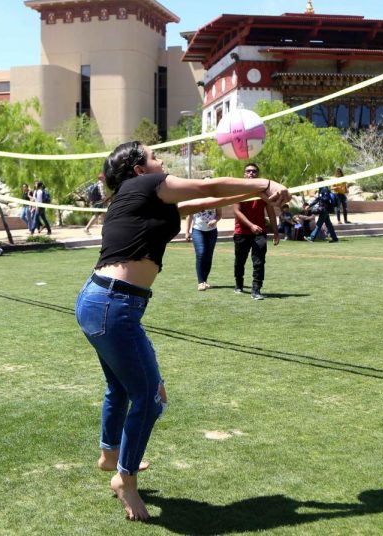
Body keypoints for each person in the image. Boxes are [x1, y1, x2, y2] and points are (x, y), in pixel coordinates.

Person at [75, 141, 290, 521]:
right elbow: (206, 188)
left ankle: (110, 456)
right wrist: (264, 184)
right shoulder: (145, 186)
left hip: (100, 302)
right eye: (153, 156)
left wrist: (261, 191)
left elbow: (199, 203)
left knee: (121, 388)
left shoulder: (137, 196)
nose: (161, 161)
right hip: (114, 305)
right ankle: (125, 480)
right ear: (140, 170)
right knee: (150, 398)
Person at [233, 163, 280, 300]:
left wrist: (276, 232)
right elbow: (236, 211)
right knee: (240, 261)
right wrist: (251, 225)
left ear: (258, 174)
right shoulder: (239, 191)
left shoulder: (264, 193)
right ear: (244, 174)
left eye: (254, 171)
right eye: (248, 171)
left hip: (259, 232)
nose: (251, 173)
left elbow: (271, 212)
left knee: (259, 261)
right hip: (242, 232)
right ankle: (239, 283)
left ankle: (256, 289)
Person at [184, 189, 221, 291]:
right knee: (201, 253)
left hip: (212, 231)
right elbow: (189, 216)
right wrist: (187, 232)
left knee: (208, 256)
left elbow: (219, 214)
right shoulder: (196, 200)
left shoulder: (216, 200)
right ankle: (200, 282)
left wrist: (215, 220)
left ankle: (205, 281)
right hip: (198, 230)